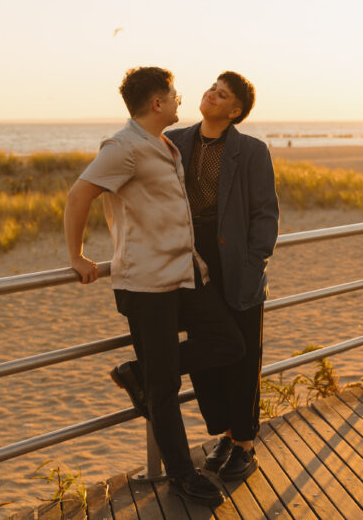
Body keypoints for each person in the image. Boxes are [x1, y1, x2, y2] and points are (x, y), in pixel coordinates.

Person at [64, 66, 244, 507]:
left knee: (229, 343)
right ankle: (182, 475)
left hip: (186, 274)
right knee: (164, 391)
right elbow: (78, 195)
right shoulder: (123, 148)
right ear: (157, 103)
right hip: (146, 285)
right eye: (175, 94)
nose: (182, 99)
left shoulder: (166, 144)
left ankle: (140, 374)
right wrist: (77, 256)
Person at [166, 71, 279, 482]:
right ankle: (227, 434)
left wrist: (254, 264)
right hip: (190, 260)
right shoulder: (175, 141)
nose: (212, 94)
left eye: (223, 94)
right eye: (212, 87)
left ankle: (245, 444)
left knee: (244, 354)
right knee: (207, 352)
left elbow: (265, 213)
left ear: (235, 111)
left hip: (236, 262)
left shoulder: (251, 151)